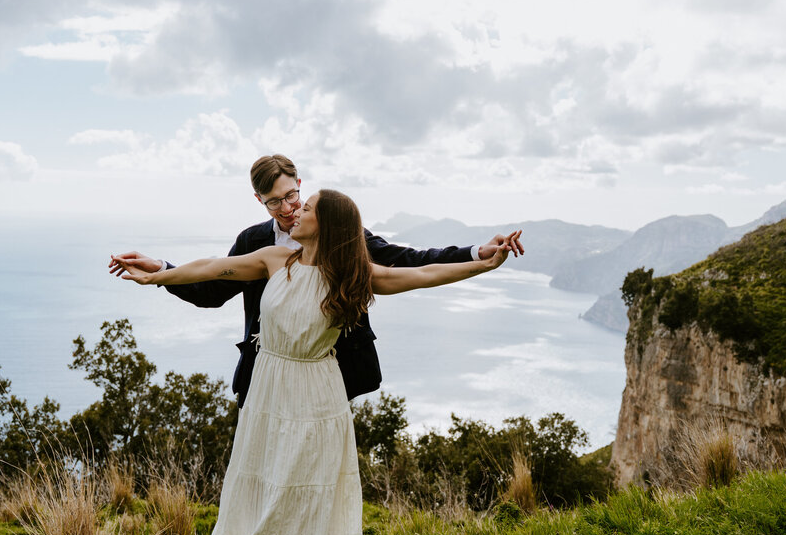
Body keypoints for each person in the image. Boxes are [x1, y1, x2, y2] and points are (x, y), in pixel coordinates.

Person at [113, 189, 522, 535]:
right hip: (267, 389)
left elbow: (427, 273)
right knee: (265, 488)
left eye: (306, 208)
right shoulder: (274, 258)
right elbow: (211, 268)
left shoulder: (353, 274)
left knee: (299, 493)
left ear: (325, 224)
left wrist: (485, 263)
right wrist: (157, 272)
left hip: (316, 393)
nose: (296, 211)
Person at [108, 154, 523, 406]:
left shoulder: (343, 239)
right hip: (265, 372)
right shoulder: (259, 247)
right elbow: (210, 282)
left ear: (300, 186)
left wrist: (477, 255)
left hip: (330, 375)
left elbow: (411, 263)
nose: (288, 209)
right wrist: (160, 271)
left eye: (292, 197)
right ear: (260, 201)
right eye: (275, 202)